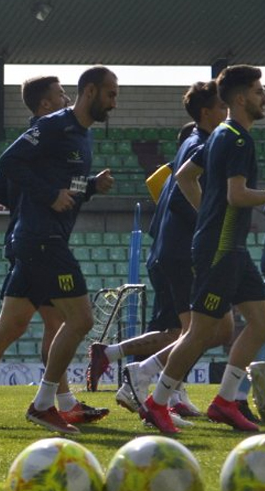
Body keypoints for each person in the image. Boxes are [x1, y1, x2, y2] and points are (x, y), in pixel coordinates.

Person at [0, 67, 117, 435]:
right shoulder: (54, 125)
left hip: (44, 236)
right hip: (41, 238)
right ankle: (43, 404)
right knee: (80, 320)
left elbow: (65, 186)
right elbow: (8, 162)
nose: (113, 102)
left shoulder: (82, 136)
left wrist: (90, 187)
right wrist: (47, 195)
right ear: (90, 92)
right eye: (110, 94)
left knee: (12, 324)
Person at [89, 82, 232, 424]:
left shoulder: (190, 146)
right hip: (183, 251)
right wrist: (211, 226)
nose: (227, 112)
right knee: (201, 332)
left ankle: (162, 388)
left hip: (172, 250)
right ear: (206, 112)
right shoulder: (202, 146)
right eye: (222, 106)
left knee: (198, 331)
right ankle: (146, 381)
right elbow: (184, 199)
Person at [142, 65, 265, 434]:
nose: (263, 97)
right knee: (200, 332)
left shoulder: (220, 134)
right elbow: (237, 195)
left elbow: (183, 176)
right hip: (220, 248)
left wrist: (206, 216)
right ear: (241, 98)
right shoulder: (238, 139)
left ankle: (226, 401)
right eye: (259, 91)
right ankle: (156, 401)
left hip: (229, 245)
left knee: (261, 321)